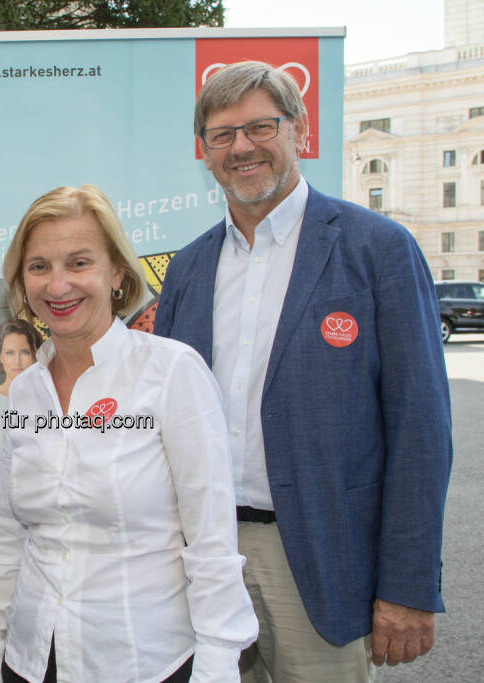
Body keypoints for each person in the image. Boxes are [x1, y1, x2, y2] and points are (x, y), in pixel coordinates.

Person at [154, 61, 452, 681]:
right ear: (204, 151)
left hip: (318, 560)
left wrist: (408, 584)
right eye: (222, 134)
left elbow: (420, 429)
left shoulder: (378, 249)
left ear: (300, 130)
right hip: (200, 560)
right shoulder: (187, 268)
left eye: (260, 127)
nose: (241, 147)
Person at [0, 185, 257, 683]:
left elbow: (211, 541)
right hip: (31, 658)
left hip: (142, 662)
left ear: (118, 275)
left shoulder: (171, 374)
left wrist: (217, 667)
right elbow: (10, 536)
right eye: (39, 266)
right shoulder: (25, 393)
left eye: (79, 263)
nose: (58, 285)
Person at [0, 319, 40, 502]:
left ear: (35, 354)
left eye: (24, 352)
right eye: (9, 353)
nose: (17, 361)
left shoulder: (48, 403)